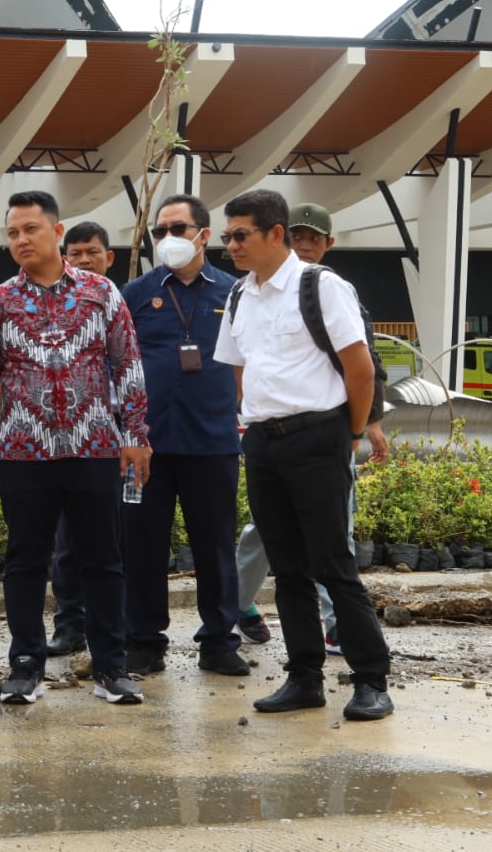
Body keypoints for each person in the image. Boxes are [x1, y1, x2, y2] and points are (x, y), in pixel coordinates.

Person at [0, 191, 151, 707]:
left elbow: (126, 366)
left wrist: (135, 435)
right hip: (23, 450)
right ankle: (25, 664)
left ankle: (112, 666)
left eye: (30, 230)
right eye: (12, 233)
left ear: (57, 231)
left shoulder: (101, 293)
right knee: (25, 561)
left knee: (103, 560)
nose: (20, 240)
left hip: (93, 447)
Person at [213, 188, 393, 721]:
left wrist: (351, 433)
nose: (231, 246)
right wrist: (253, 418)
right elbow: (238, 365)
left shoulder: (321, 286)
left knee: (333, 564)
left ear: (276, 233)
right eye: (227, 237)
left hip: (319, 436)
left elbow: (359, 369)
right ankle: (305, 678)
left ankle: (370, 680)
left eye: (240, 235)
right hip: (263, 441)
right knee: (288, 569)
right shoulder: (241, 296)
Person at [119, 195, 247, 677]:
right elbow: (118, 365)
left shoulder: (234, 292)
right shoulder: (134, 293)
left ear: (203, 235)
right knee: (142, 545)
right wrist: (125, 432)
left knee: (215, 546)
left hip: (212, 440)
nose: (167, 239)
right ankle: (144, 640)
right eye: (159, 231)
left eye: (178, 228)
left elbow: (248, 363)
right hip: (145, 445)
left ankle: (218, 641)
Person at [47, 220, 116, 657]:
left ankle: (117, 629)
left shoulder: (117, 302)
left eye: (93, 251)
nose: (85, 259)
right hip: (69, 443)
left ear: (109, 256)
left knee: (114, 543)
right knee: (68, 543)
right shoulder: (57, 308)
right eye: (75, 253)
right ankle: (70, 625)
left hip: (118, 439)